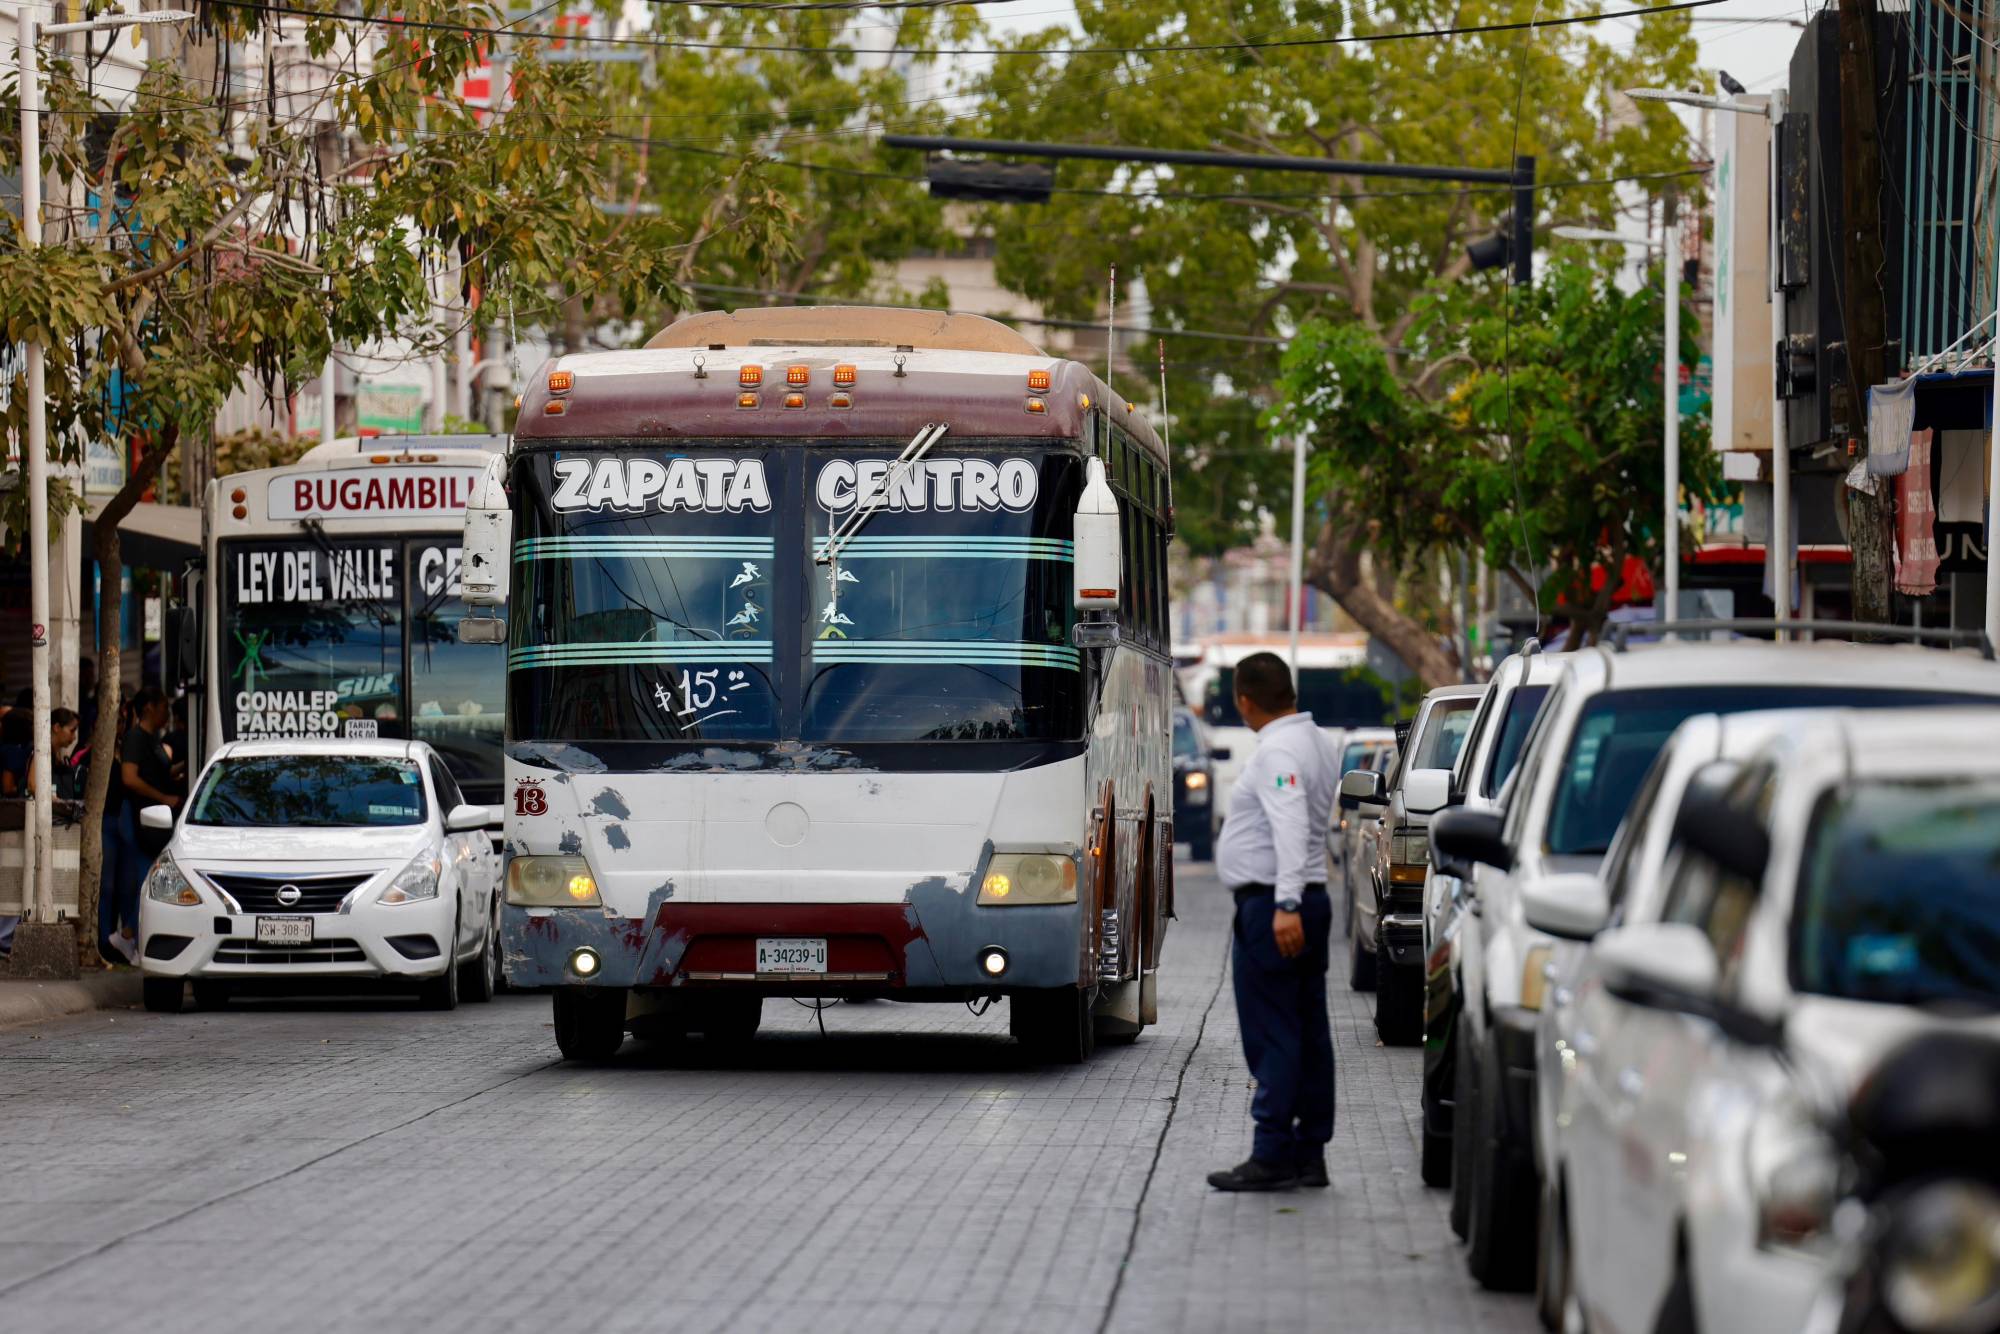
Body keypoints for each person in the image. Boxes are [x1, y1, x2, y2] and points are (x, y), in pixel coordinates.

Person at [1207, 652, 1342, 1192]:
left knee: (1274, 1034)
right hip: (1305, 899)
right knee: (1308, 1032)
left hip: (1276, 907)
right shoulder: (1315, 741)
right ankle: (1309, 1154)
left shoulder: (1279, 750)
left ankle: (1271, 1155)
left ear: (1244, 700)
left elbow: (1287, 825)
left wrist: (1285, 905)